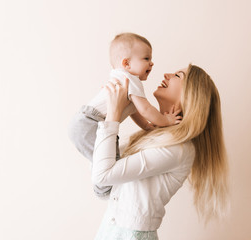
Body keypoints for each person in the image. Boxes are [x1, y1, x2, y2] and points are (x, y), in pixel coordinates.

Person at [85, 64, 229, 239]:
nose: (167, 74)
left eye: (178, 75)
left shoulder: (177, 148)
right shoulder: (152, 136)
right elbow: (102, 185)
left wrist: (114, 114)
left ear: (190, 95)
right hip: (110, 230)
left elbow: (102, 174)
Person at [68, 33, 181, 198]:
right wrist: (166, 120)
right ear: (126, 63)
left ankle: (104, 189)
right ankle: (105, 192)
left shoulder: (120, 77)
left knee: (101, 158)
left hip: (83, 122)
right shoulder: (131, 80)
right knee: (109, 161)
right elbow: (146, 110)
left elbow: (133, 112)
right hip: (91, 123)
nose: (152, 63)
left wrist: (148, 127)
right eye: (146, 58)